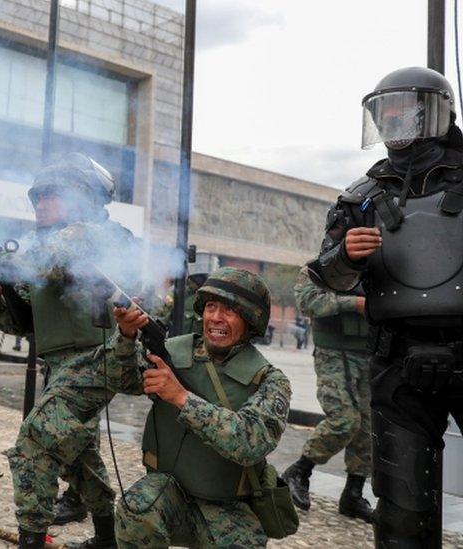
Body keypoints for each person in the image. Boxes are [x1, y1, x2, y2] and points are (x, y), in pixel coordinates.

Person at [0, 153, 142, 549]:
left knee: (32, 445)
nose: (42, 205)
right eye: (38, 198)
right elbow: (25, 324)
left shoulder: (92, 234)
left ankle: (32, 540)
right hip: (64, 363)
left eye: (53, 196)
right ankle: (106, 537)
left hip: (96, 358)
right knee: (80, 455)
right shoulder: (45, 249)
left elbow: (43, 262)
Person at [306, 66, 463, 547]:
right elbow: (325, 274)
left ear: (435, 111)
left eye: (405, 111)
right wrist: (347, 254)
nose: (394, 121)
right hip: (396, 365)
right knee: (402, 508)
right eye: (385, 112)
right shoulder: (363, 195)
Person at [112, 268, 291, 548]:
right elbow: (122, 380)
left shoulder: (269, 380)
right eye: (211, 307)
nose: (216, 317)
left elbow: (250, 443)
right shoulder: (172, 352)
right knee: (136, 509)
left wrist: (181, 397)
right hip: (170, 494)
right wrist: (125, 335)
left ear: (250, 320)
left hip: (229, 507)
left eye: (229, 310)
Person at [282, 268, 372, 523]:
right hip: (333, 353)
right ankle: (299, 471)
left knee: (368, 428)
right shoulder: (321, 266)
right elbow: (308, 301)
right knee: (345, 420)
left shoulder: (381, 267)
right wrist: (354, 303)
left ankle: (353, 494)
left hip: (370, 353)